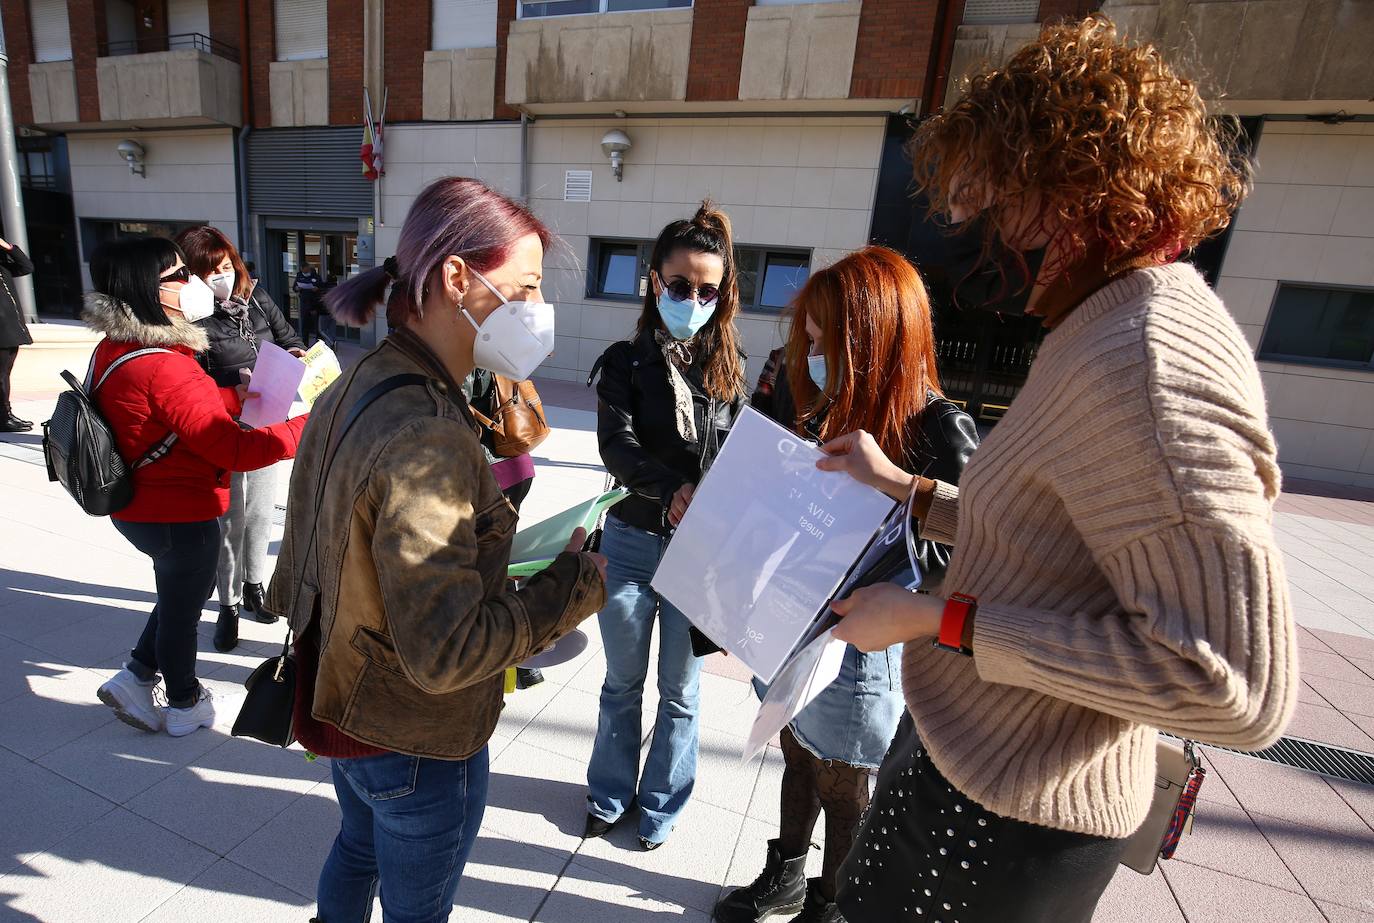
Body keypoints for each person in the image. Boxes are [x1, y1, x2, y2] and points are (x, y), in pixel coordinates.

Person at [814, 18, 1296, 921]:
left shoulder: (1149, 358)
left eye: (999, 193)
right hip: (972, 761)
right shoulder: (1102, 318)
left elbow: (1237, 686)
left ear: (1074, 181)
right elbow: (1053, 538)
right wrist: (904, 489)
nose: (984, 223)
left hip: (1012, 822)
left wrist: (937, 615)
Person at [263, 177, 606, 923]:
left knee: (356, 848)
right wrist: (571, 588)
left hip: (340, 691)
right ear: (458, 278)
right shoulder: (430, 432)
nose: (536, 311)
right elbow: (447, 653)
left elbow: (310, 549)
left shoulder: (355, 378)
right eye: (525, 287)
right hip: (413, 736)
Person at [715, 246, 977, 923]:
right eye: (810, 334)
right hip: (802, 619)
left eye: (825, 335)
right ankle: (786, 875)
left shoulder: (937, 425)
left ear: (873, 334)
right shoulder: (838, 405)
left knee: (843, 782)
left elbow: (978, 548)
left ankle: (831, 905)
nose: (813, 347)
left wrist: (899, 495)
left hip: (866, 648)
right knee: (796, 750)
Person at [84, 237, 306, 737]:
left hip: (142, 502)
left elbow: (163, 413)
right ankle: (185, 703)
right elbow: (234, 450)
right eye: (179, 275)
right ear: (146, 289)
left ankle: (137, 675)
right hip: (175, 508)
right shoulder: (165, 362)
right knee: (184, 609)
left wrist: (230, 394)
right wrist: (307, 427)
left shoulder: (121, 346)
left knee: (183, 590)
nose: (195, 283)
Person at [584, 201, 747, 851]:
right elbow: (615, 447)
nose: (693, 297)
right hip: (629, 542)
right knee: (621, 680)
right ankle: (609, 792)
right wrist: (671, 486)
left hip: (697, 553)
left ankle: (661, 803)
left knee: (680, 690)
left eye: (708, 289)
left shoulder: (727, 371)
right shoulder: (625, 362)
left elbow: (741, 459)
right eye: (681, 285)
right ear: (654, 280)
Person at [176, 225, 306, 653]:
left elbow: (288, 338)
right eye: (211, 271)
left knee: (261, 512)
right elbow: (191, 378)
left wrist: (297, 355)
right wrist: (235, 380)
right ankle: (228, 605)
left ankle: (255, 587)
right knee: (229, 519)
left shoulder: (256, 299)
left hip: (268, 420)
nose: (223, 277)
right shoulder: (187, 318)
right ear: (192, 275)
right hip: (224, 426)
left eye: (227, 267)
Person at [463, 366, 544, 688]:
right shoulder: (499, 348)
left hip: (492, 474)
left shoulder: (457, 356)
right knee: (500, 566)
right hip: (517, 466)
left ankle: (511, 661)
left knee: (487, 572)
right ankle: (523, 661)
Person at [0, 237, 35, 433]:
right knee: (1, 375)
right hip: (3, 329)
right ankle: (4, 417)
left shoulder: (2, 263)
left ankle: (5, 414)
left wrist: (8, 247)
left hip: (11, 327)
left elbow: (26, 267)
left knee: (5, 373)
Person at [293, 263, 323, 344]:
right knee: (304, 325)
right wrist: (297, 288)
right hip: (304, 304)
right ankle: (305, 343)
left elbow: (321, 287)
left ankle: (318, 343)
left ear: (308, 268)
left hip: (314, 303)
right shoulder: (299, 276)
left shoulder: (316, 276)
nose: (303, 271)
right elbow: (294, 287)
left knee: (317, 325)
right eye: (302, 270)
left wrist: (317, 289)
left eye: (305, 269)